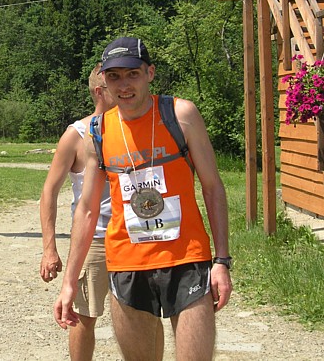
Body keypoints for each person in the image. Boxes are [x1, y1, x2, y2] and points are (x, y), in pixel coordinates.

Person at [53, 37, 232, 360]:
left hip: (186, 260)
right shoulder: (98, 132)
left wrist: (221, 261)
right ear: (104, 82)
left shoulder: (180, 115)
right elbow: (87, 210)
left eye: (132, 74)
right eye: (114, 77)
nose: (124, 85)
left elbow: (212, 187)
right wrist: (69, 282)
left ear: (150, 73)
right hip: (127, 265)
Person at [39, 63, 120, 360]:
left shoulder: (134, 128)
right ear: (99, 91)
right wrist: (49, 249)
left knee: (141, 314)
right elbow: (49, 192)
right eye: (114, 83)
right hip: (94, 239)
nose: (123, 88)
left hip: (133, 237)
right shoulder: (76, 135)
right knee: (84, 317)